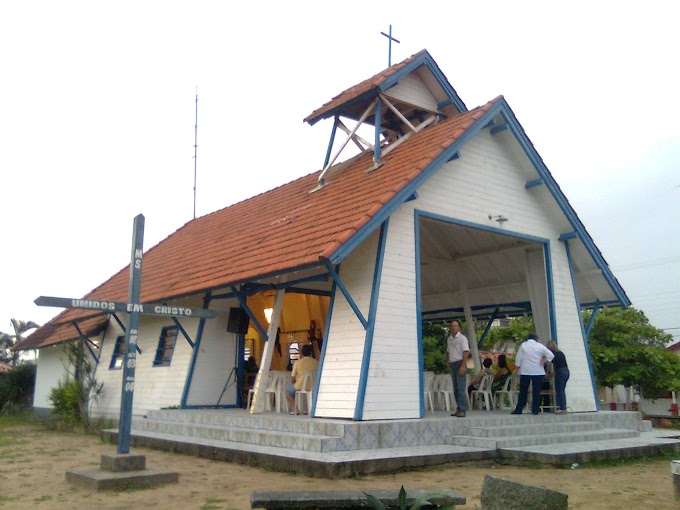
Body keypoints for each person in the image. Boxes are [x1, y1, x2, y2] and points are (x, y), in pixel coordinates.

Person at [511, 334, 554, 415]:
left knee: (523, 391)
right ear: (536, 339)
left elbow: (518, 357)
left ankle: (519, 409)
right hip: (538, 371)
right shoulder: (540, 346)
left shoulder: (523, 345)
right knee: (536, 391)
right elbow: (551, 355)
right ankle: (535, 410)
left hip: (525, 370)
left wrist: (516, 369)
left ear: (527, 339)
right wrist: (544, 360)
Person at [446, 319, 470, 417]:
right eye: (452, 326)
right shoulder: (449, 339)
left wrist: (463, 366)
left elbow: (466, 352)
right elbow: (448, 351)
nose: (453, 327)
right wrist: (447, 360)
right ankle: (459, 408)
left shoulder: (462, 338)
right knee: (455, 389)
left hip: (460, 363)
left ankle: (463, 409)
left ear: (459, 327)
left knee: (461, 389)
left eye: (455, 326)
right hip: (453, 364)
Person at [285, 344, 318, 414]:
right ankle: (306, 408)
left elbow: (293, 378)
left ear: (302, 353)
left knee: (288, 391)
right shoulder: (316, 362)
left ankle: (295, 408)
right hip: (314, 386)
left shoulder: (297, 363)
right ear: (311, 353)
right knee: (309, 394)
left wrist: (295, 382)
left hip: (300, 385)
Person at [547, 340, 570, 414]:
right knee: (562, 390)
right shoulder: (560, 353)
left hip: (560, 372)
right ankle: (563, 407)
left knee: (559, 390)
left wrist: (547, 373)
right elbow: (560, 363)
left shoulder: (551, 354)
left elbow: (549, 364)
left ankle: (561, 408)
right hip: (566, 371)